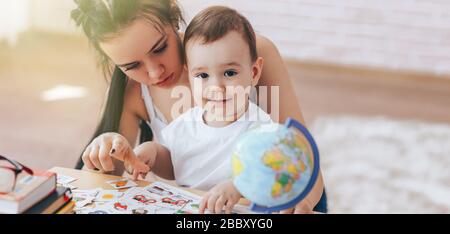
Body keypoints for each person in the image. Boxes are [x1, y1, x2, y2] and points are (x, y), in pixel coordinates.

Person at [71, 0, 327, 213]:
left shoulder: (244, 50)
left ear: (173, 15)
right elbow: (113, 176)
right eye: (131, 66)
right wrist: (109, 148)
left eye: (160, 48)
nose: (154, 72)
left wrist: (296, 202)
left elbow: (299, 154)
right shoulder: (133, 92)